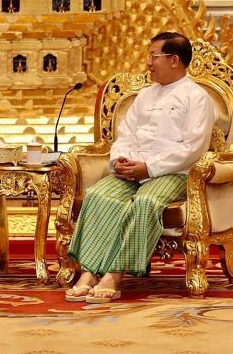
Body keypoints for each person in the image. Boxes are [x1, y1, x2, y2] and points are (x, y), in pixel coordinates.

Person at [65, 32, 216, 304]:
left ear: (174, 60)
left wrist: (149, 168)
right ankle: (88, 272)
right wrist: (120, 160)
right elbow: (125, 135)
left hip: (173, 173)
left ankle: (114, 274)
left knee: (145, 203)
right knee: (98, 195)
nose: (148, 63)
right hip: (132, 169)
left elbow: (193, 148)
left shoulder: (197, 98)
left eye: (153, 56)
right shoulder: (145, 95)